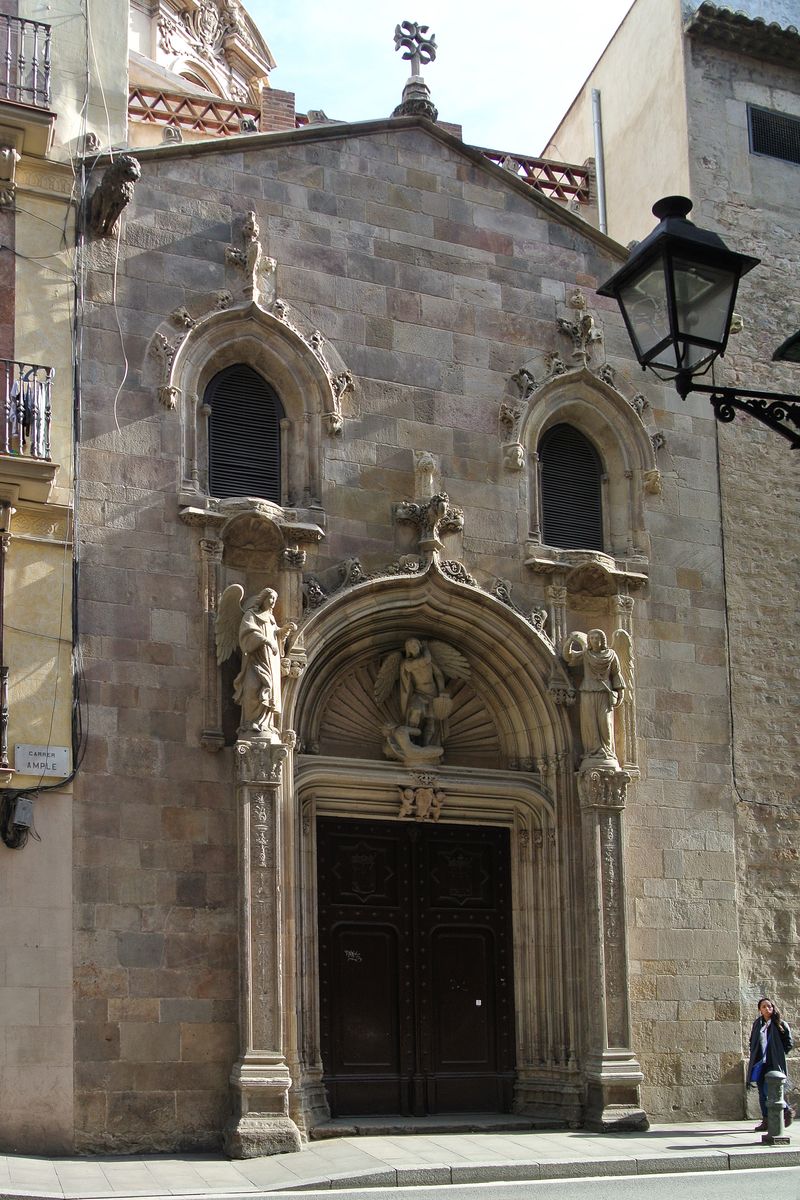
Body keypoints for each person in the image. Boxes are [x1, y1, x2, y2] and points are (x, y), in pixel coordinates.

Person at [562, 629, 625, 765]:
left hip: (604, 692)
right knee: (589, 723)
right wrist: (570, 641)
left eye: (597, 638)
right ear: (589, 641)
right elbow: (568, 657)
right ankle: (592, 751)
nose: (594, 641)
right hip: (587, 692)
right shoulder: (586, 655)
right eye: (591, 639)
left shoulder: (611, 655)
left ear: (603, 640)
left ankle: (606, 751)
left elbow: (616, 673)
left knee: (605, 723)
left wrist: (620, 691)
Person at [746, 996, 794, 1131]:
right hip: (760, 1062)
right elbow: (752, 1041)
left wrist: (778, 1053)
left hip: (774, 1062)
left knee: (771, 1090)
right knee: (762, 1092)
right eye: (764, 1007)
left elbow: (788, 1043)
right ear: (760, 1010)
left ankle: (786, 1109)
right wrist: (754, 1053)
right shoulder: (757, 1024)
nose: (768, 1009)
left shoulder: (780, 1023)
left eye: (770, 1006)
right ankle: (766, 1120)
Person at [399, 638, 446, 746]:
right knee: (415, 711)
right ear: (408, 650)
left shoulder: (430, 660)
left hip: (433, 693)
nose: (413, 647)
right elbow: (425, 660)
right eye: (410, 646)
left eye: (415, 644)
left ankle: (426, 745)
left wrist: (442, 691)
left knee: (431, 720)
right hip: (419, 693)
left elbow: (438, 675)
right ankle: (410, 740)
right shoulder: (407, 663)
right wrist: (425, 647)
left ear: (419, 645)